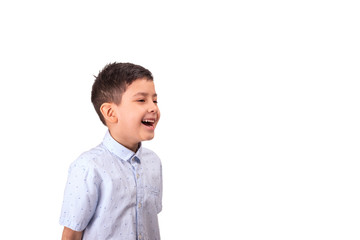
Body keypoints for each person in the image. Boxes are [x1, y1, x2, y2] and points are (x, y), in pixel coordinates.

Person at [59, 62, 162, 240]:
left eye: (155, 100)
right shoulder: (89, 167)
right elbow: (72, 233)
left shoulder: (153, 162)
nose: (153, 107)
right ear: (110, 112)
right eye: (141, 100)